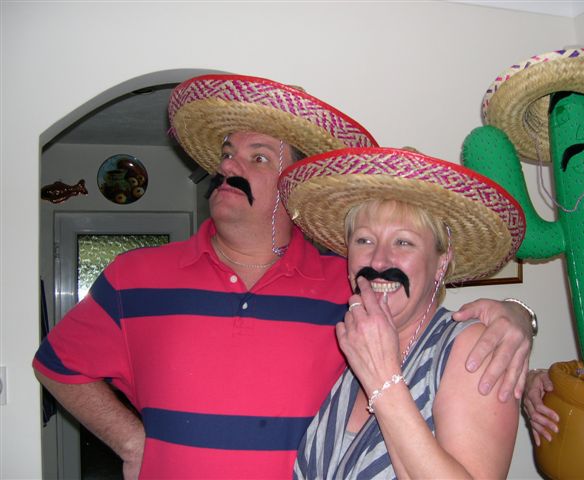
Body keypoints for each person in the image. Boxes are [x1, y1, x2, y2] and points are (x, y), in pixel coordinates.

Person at [33, 74, 535, 479]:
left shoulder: (350, 288)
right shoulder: (134, 276)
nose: (228, 165)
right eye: (227, 153)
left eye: (258, 158)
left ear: (290, 187)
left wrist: (518, 319)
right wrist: (130, 439)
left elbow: (437, 349)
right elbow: (56, 364)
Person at [283, 147, 524, 478]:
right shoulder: (349, 339)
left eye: (404, 243)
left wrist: (382, 378)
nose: (379, 262)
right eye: (365, 240)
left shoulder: (470, 350)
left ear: (441, 262)